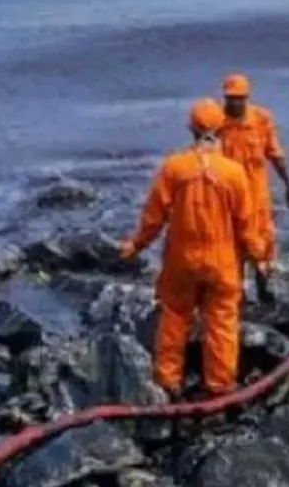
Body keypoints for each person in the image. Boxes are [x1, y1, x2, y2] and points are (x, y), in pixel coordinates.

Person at [118, 99, 268, 398]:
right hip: (222, 261)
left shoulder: (174, 168)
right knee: (222, 319)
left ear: (191, 129)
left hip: (181, 259)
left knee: (174, 315)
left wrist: (136, 245)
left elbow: (154, 217)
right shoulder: (233, 173)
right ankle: (220, 385)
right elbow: (247, 225)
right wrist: (258, 258)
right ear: (219, 129)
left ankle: (167, 381)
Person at [219, 73, 289, 303]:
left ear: (247, 97)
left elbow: (276, 154)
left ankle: (265, 288)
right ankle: (238, 293)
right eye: (231, 98)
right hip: (228, 199)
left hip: (257, 197)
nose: (235, 103)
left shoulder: (261, 120)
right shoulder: (217, 125)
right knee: (232, 247)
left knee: (264, 244)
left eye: (240, 98)